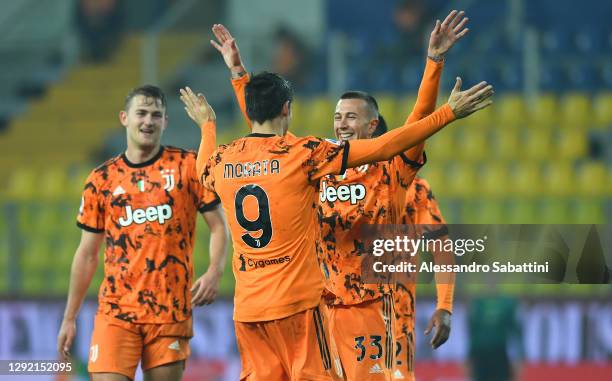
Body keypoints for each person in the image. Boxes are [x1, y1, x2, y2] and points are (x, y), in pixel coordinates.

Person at [184, 16, 489, 380]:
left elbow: (411, 127)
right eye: (337, 117)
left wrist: (434, 65)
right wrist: (239, 76)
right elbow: (265, 142)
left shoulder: (391, 169)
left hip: (372, 309)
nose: (341, 124)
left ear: (372, 126)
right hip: (319, 306)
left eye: (350, 118)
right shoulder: (313, 163)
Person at [56, 85, 229, 381]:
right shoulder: (101, 180)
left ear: (165, 122)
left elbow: (218, 226)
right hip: (117, 312)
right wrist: (69, 317)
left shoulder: (187, 167)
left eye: (155, 115)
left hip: (170, 313)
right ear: (124, 118)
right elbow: (87, 254)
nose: (148, 121)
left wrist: (215, 270)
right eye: (141, 113)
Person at [393, 176, 455, 381]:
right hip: (338, 319)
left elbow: (441, 248)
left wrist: (445, 305)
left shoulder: (414, 188)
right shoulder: (331, 179)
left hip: (396, 322)